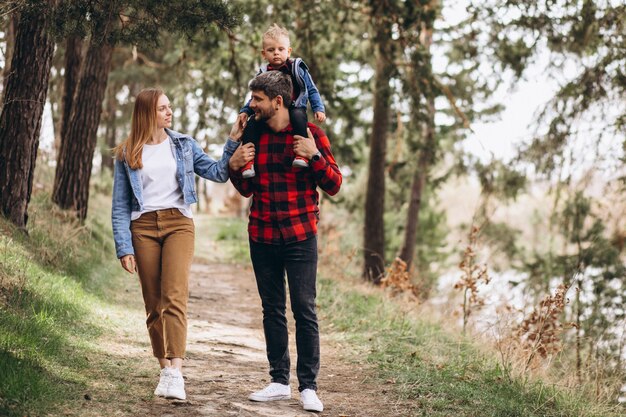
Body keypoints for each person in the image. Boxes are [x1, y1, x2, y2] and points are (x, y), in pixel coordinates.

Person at [111, 88, 243, 401]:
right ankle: (164, 369)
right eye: (162, 108)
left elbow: (216, 172)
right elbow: (119, 205)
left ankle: (176, 371)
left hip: (178, 223)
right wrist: (124, 246)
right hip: (142, 227)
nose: (169, 113)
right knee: (153, 302)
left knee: (174, 295)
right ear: (147, 113)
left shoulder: (182, 144)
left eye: (170, 107)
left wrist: (232, 143)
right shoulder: (127, 152)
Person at [228, 71, 342, 413]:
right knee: (272, 310)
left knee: (304, 310)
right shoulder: (254, 136)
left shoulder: (311, 134)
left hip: (300, 235)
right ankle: (279, 381)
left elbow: (335, 184)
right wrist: (234, 165)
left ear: (278, 101)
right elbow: (247, 188)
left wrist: (315, 155)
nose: (252, 104)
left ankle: (308, 387)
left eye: (258, 99)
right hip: (261, 234)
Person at [238, 23, 326, 178]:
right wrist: (246, 111)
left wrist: (318, 108)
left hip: (294, 105)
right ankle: (248, 161)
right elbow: (256, 97)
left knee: (299, 119)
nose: (276, 53)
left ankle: (301, 154)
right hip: (270, 111)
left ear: (289, 51)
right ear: (264, 53)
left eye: (281, 49)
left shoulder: (297, 68)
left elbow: (311, 89)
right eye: (271, 50)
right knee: (251, 125)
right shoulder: (263, 73)